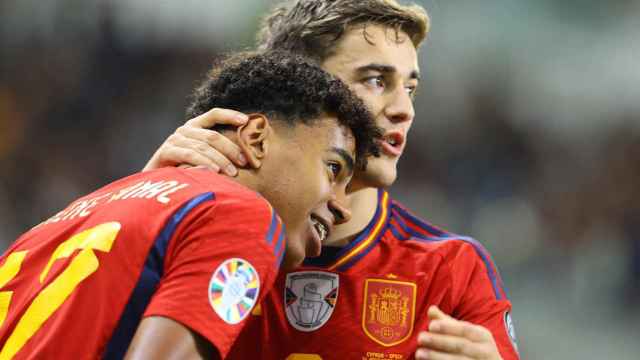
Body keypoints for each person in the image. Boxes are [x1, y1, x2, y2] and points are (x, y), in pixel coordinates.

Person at [144, 1, 520, 359]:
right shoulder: (199, 232)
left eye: (410, 88)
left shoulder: (448, 269)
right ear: (301, 86)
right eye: (375, 80)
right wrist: (148, 202)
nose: (404, 109)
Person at [0, 51, 381, 360]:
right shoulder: (243, 215)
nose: (342, 206)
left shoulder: (61, 221)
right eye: (334, 169)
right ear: (257, 139)